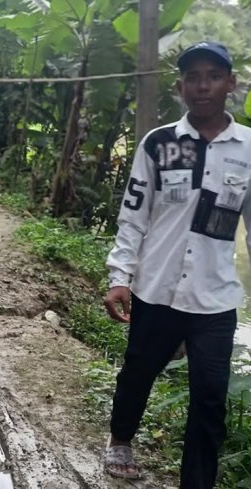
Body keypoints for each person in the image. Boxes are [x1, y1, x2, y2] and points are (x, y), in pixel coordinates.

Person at [102, 42, 249, 488]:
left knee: (209, 399)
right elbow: (134, 215)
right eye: (194, 77)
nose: (203, 85)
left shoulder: (247, 149)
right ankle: (121, 439)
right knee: (138, 372)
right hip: (156, 288)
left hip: (215, 298)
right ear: (180, 86)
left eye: (213, 76)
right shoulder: (159, 143)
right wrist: (119, 277)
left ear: (230, 83)